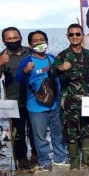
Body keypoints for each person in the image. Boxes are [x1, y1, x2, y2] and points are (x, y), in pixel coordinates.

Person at [15, 30, 69, 171]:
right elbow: (18, 79)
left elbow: (61, 78)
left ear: (47, 42)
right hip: (36, 107)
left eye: (42, 40)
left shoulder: (52, 58)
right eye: (36, 41)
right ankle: (44, 161)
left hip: (55, 104)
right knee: (40, 137)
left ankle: (60, 157)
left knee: (58, 134)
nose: (39, 43)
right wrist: (25, 71)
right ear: (30, 44)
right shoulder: (28, 61)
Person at [49, 24, 89, 170]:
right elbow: (51, 73)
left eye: (77, 34)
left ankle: (87, 160)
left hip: (87, 100)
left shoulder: (88, 54)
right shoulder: (62, 55)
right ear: (67, 36)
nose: (74, 37)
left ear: (82, 36)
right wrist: (60, 68)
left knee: (87, 130)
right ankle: (75, 162)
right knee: (71, 132)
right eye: (71, 34)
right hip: (69, 101)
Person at [0, 27, 37, 169]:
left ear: (20, 37)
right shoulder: (2, 56)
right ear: (4, 41)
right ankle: (21, 157)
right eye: (9, 38)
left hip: (34, 98)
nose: (13, 40)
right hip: (14, 100)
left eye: (15, 37)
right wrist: (1, 64)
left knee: (35, 128)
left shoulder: (30, 52)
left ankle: (36, 153)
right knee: (18, 132)